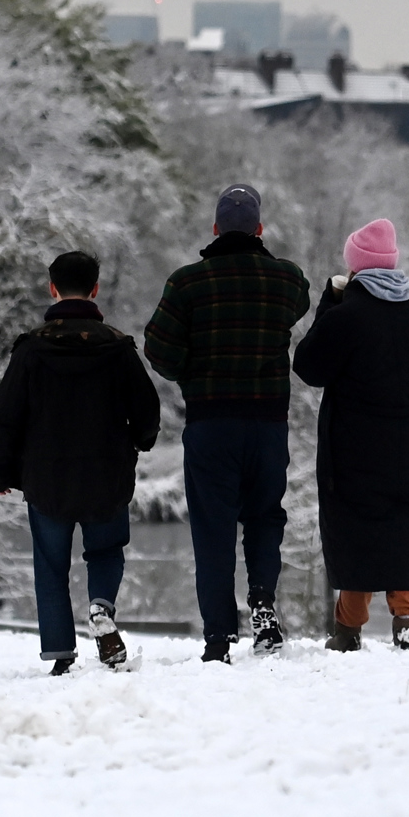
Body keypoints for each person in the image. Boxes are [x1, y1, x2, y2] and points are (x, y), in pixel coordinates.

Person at [143, 183, 311, 663]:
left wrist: (190, 373)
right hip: (267, 423)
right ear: (260, 229)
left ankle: (219, 636)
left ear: (215, 228)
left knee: (212, 527)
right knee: (264, 518)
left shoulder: (186, 283)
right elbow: (299, 305)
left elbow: (158, 348)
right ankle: (263, 606)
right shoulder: (286, 279)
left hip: (210, 421)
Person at [0, 250, 161, 675]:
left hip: (45, 476)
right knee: (106, 550)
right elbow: (147, 410)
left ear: (53, 289)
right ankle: (100, 607)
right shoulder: (118, 348)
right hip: (107, 474)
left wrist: (1, 469)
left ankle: (60, 653)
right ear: (95, 289)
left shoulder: (30, 350)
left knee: (50, 565)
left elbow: (7, 414)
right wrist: (142, 441)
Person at [293, 218, 409, 653]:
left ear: (356, 269)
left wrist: (329, 303)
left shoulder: (346, 317)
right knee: (407, 531)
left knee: (355, 531)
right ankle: (406, 623)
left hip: (355, 451)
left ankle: (348, 631)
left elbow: (309, 366)